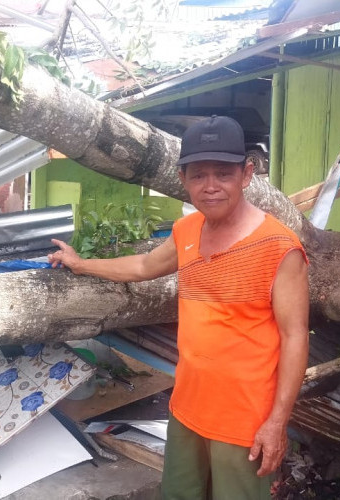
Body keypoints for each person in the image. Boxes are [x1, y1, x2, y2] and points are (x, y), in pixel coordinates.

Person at [48, 115, 309, 500]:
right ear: (183, 179)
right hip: (187, 406)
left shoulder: (279, 248)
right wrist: (79, 263)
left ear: (247, 173)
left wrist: (277, 422)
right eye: (199, 175)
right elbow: (143, 266)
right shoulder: (187, 231)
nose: (211, 186)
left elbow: (295, 336)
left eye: (223, 173)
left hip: (244, 421)